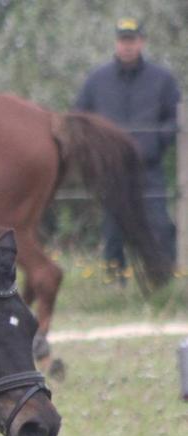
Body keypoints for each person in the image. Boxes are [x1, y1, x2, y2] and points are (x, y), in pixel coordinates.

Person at [74, 17, 180, 278]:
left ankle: (164, 280)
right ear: (116, 42)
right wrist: (97, 151)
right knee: (113, 230)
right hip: (111, 170)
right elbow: (79, 118)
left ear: (141, 42)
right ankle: (114, 282)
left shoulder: (162, 79)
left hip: (149, 169)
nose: (128, 45)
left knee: (159, 225)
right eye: (123, 40)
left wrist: (156, 143)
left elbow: (175, 118)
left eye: (132, 40)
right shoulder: (97, 80)